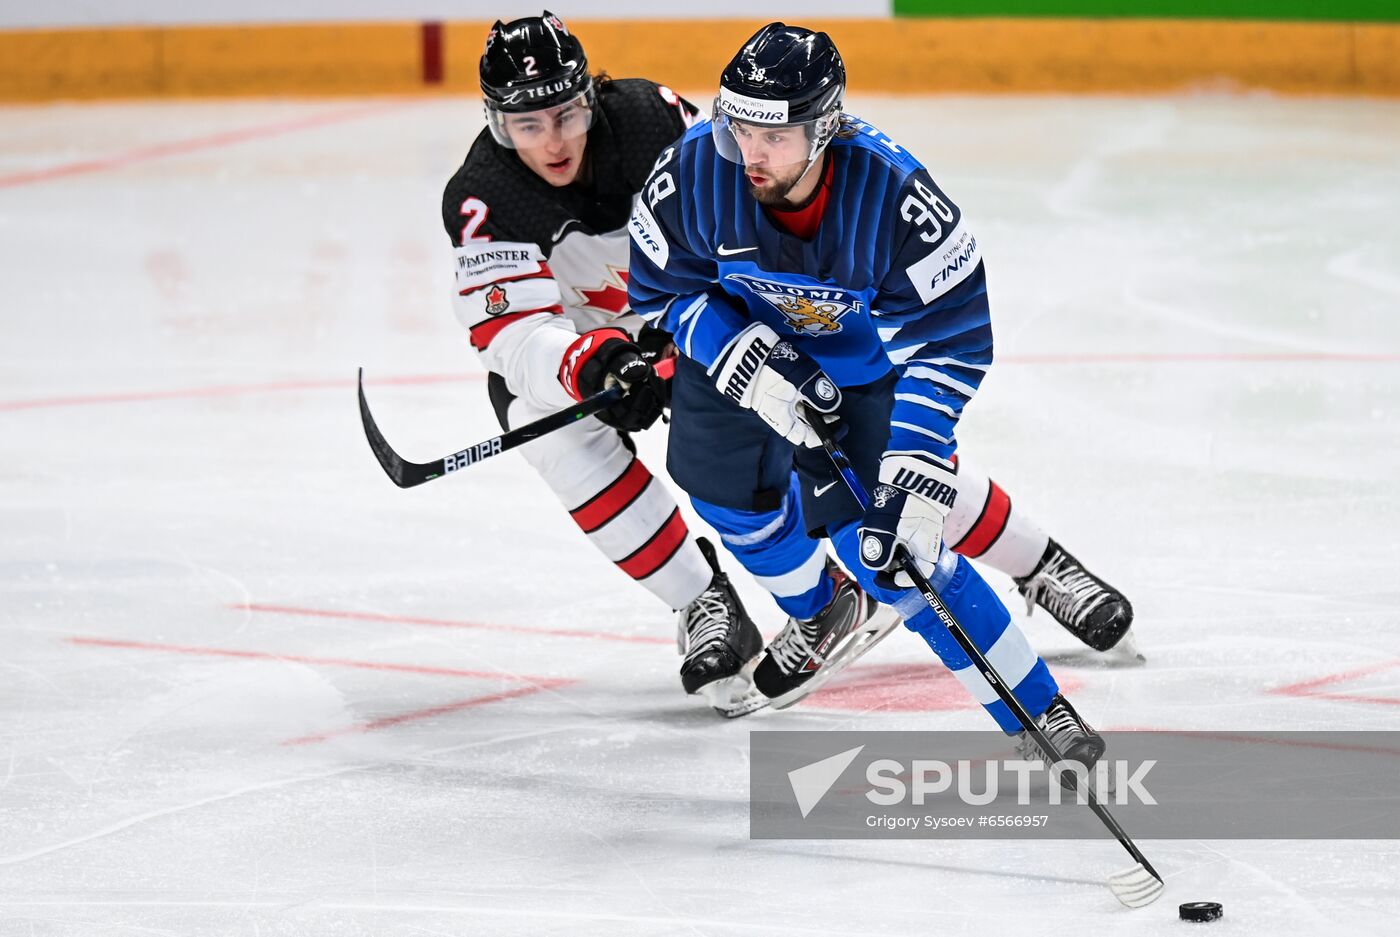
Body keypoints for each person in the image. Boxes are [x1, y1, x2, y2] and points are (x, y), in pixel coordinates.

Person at [445, 12, 1132, 716]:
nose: (553, 140)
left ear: (591, 95)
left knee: (880, 464)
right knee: (584, 440)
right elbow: (512, 334)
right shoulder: (484, 198)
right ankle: (713, 600)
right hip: (605, 343)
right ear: (497, 124)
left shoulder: (654, 123)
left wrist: (705, 337)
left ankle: (1036, 559)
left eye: (564, 113)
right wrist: (589, 364)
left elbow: (728, 234)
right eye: (527, 124)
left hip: (721, 312)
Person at [627, 22, 1115, 760]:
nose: (750, 155)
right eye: (740, 129)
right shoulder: (693, 172)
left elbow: (951, 343)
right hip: (733, 361)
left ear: (824, 128)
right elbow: (663, 291)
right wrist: (734, 352)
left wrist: (914, 460)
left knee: (897, 555)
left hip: (852, 374)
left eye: (775, 136)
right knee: (727, 499)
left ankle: (1041, 712)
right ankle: (822, 612)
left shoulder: (895, 197)